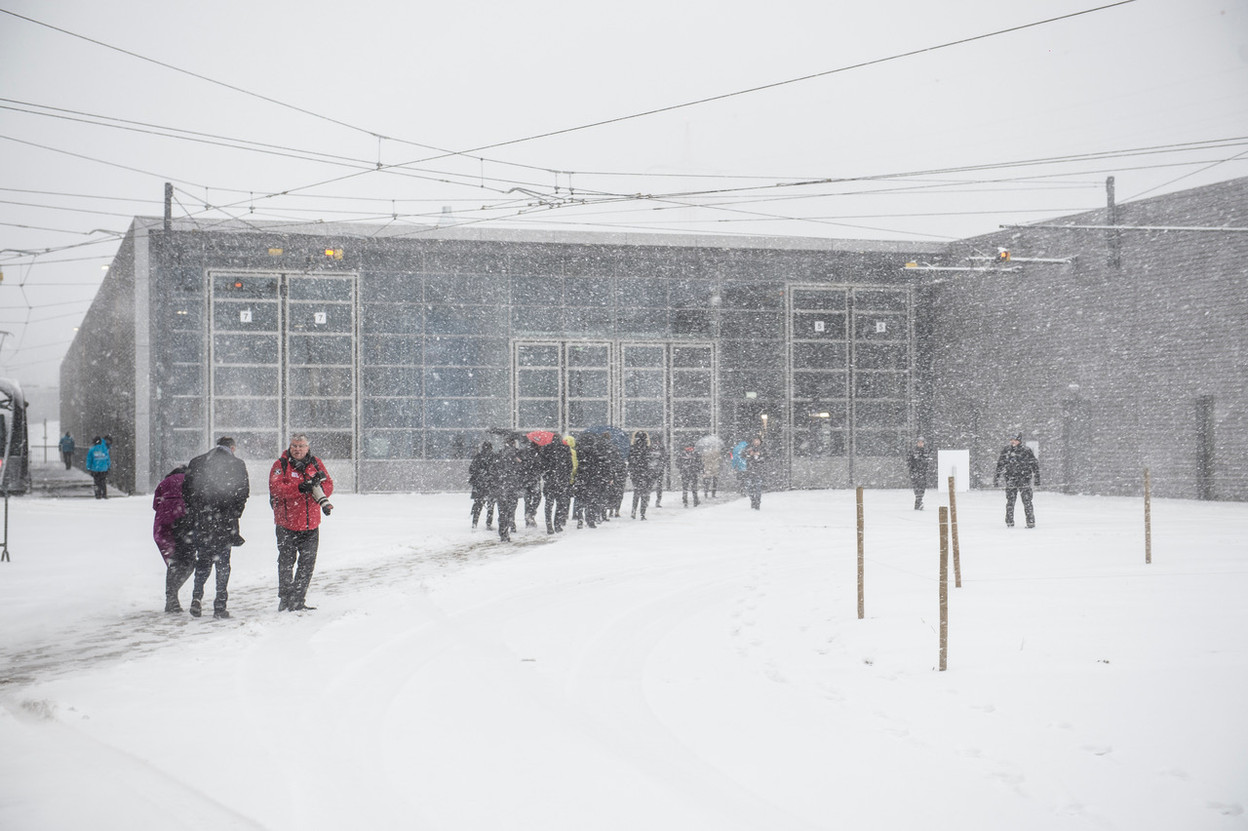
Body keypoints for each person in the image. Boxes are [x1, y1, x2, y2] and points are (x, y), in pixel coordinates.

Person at [183, 436, 250, 619]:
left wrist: (197, 511)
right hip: (225, 523)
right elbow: (243, 492)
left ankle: (196, 598)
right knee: (223, 564)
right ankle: (220, 605)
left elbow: (186, 491)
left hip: (202, 521)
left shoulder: (197, 462)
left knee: (203, 560)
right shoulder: (237, 465)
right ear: (232, 448)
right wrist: (234, 513)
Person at [269, 434, 334, 612]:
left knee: (307, 564)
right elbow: (276, 489)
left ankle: (298, 600)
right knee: (286, 563)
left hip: (310, 524)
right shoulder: (281, 465)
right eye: (294, 446)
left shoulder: (316, 463)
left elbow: (328, 484)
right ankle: (285, 599)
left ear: (307, 448)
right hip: (286, 524)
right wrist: (299, 488)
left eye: (301, 446)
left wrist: (317, 489)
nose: (297, 449)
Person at [153, 464, 194, 613]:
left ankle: (171, 599)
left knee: (174, 562)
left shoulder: (164, 483)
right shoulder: (189, 479)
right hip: (183, 520)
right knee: (189, 562)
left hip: (164, 523)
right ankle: (172, 595)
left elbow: (155, 504)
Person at [994, 433, 1040, 528]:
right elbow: (1000, 464)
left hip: (1024, 480)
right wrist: (996, 477)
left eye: (1014, 440)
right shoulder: (1006, 450)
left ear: (1019, 440)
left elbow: (1034, 464)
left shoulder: (1026, 450)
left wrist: (1037, 478)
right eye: (1011, 439)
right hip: (1011, 479)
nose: (1012, 442)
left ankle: (1030, 522)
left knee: (1027, 501)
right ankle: (1009, 521)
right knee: (1010, 502)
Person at [539, 436, 574, 533]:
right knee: (560, 504)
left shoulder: (546, 449)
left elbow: (542, 466)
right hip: (561, 481)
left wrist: (546, 476)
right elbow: (570, 466)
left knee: (548, 504)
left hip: (550, 481)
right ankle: (557, 524)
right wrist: (566, 478)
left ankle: (549, 525)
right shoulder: (565, 449)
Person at [469, 441, 496, 529]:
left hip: (479, 485)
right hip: (490, 484)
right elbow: (497, 470)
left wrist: (479, 475)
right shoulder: (494, 457)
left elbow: (471, 470)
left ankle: (475, 522)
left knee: (478, 504)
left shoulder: (478, 457)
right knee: (490, 505)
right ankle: (488, 523)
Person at [628, 431, 653, 520]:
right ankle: (642, 513)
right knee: (644, 493)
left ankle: (634, 510)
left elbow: (630, 460)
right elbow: (649, 461)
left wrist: (631, 471)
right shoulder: (647, 448)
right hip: (645, 473)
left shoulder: (633, 448)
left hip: (636, 472)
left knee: (636, 492)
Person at [907, 436, 931, 510]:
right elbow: (910, 461)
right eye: (919, 442)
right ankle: (919, 501)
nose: (920, 444)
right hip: (915, 472)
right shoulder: (913, 451)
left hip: (922, 472)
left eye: (922, 442)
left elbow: (926, 462)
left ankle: (918, 502)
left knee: (922, 487)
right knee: (917, 487)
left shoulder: (925, 451)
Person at [743, 436, 766, 510]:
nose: (756, 442)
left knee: (758, 487)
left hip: (759, 471)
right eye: (755, 440)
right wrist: (750, 454)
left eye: (757, 440)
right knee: (750, 487)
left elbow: (768, 456)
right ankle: (753, 500)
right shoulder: (749, 448)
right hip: (750, 470)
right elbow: (743, 455)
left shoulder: (763, 448)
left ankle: (757, 503)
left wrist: (760, 454)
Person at [649, 439, 669, 508]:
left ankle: (646, 500)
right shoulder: (661, 448)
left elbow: (646, 458)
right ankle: (657, 501)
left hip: (652, 470)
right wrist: (662, 465)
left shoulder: (649, 447)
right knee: (658, 486)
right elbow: (665, 458)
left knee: (650, 486)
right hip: (658, 470)